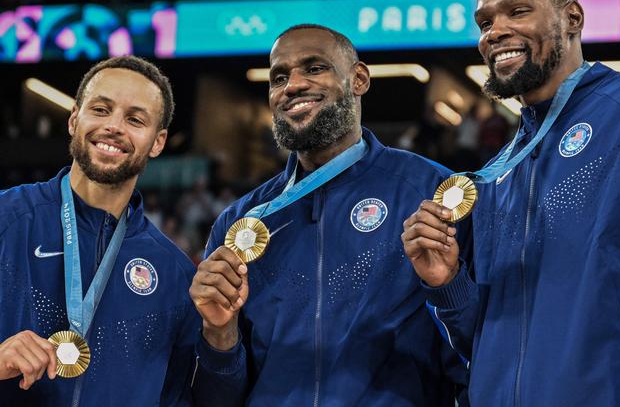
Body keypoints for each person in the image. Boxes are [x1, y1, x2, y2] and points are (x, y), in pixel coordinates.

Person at [402, 0, 620, 406]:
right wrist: (447, 283)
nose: (494, 32)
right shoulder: (494, 174)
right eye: (484, 22)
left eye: (517, 11)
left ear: (572, 18)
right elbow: (482, 348)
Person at [190, 24, 468, 406]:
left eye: (314, 68)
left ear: (359, 79)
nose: (292, 86)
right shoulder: (241, 223)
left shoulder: (432, 193)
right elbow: (219, 398)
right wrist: (218, 334)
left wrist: (449, 285)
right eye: (279, 77)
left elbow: (477, 356)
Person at [0, 56, 201, 405]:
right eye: (101, 109)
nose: (114, 127)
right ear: (74, 118)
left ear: (158, 141)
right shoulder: (7, 218)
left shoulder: (176, 274)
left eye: (135, 119)